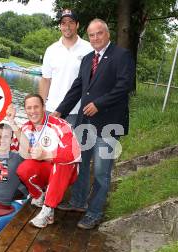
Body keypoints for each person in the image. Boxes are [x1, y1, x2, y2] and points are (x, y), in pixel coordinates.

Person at [53, 19, 136, 229]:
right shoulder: (88, 58)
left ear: (107, 34)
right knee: (81, 165)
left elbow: (125, 86)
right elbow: (77, 88)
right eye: (91, 35)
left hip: (109, 124)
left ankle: (95, 212)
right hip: (85, 123)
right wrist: (60, 110)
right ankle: (78, 202)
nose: (95, 38)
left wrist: (99, 103)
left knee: (101, 171)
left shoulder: (121, 55)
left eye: (99, 33)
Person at [12, 94, 80, 228]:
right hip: (45, 171)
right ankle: (39, 195)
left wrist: (46, 154)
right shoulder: (26, 128)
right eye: (29, 108)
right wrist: (12, 122)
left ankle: (48, 209)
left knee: (61, 163)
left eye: (36, 107)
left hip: (66, 172)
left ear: (44, 107)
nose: (32, 111)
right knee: (23, 169)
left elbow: (74, 153)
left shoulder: (61, 125)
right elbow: (12, 150)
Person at [39, 9, 92, 126]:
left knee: (73, 145)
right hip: (51, 110)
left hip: (76, 112)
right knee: (47, 144)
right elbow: (45, 80)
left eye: (71, 22)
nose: (67, 26)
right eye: (63, 23)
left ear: (77, 25)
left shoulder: (89, 49)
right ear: (60, 26)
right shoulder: (51, 50)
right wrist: (41, 105)